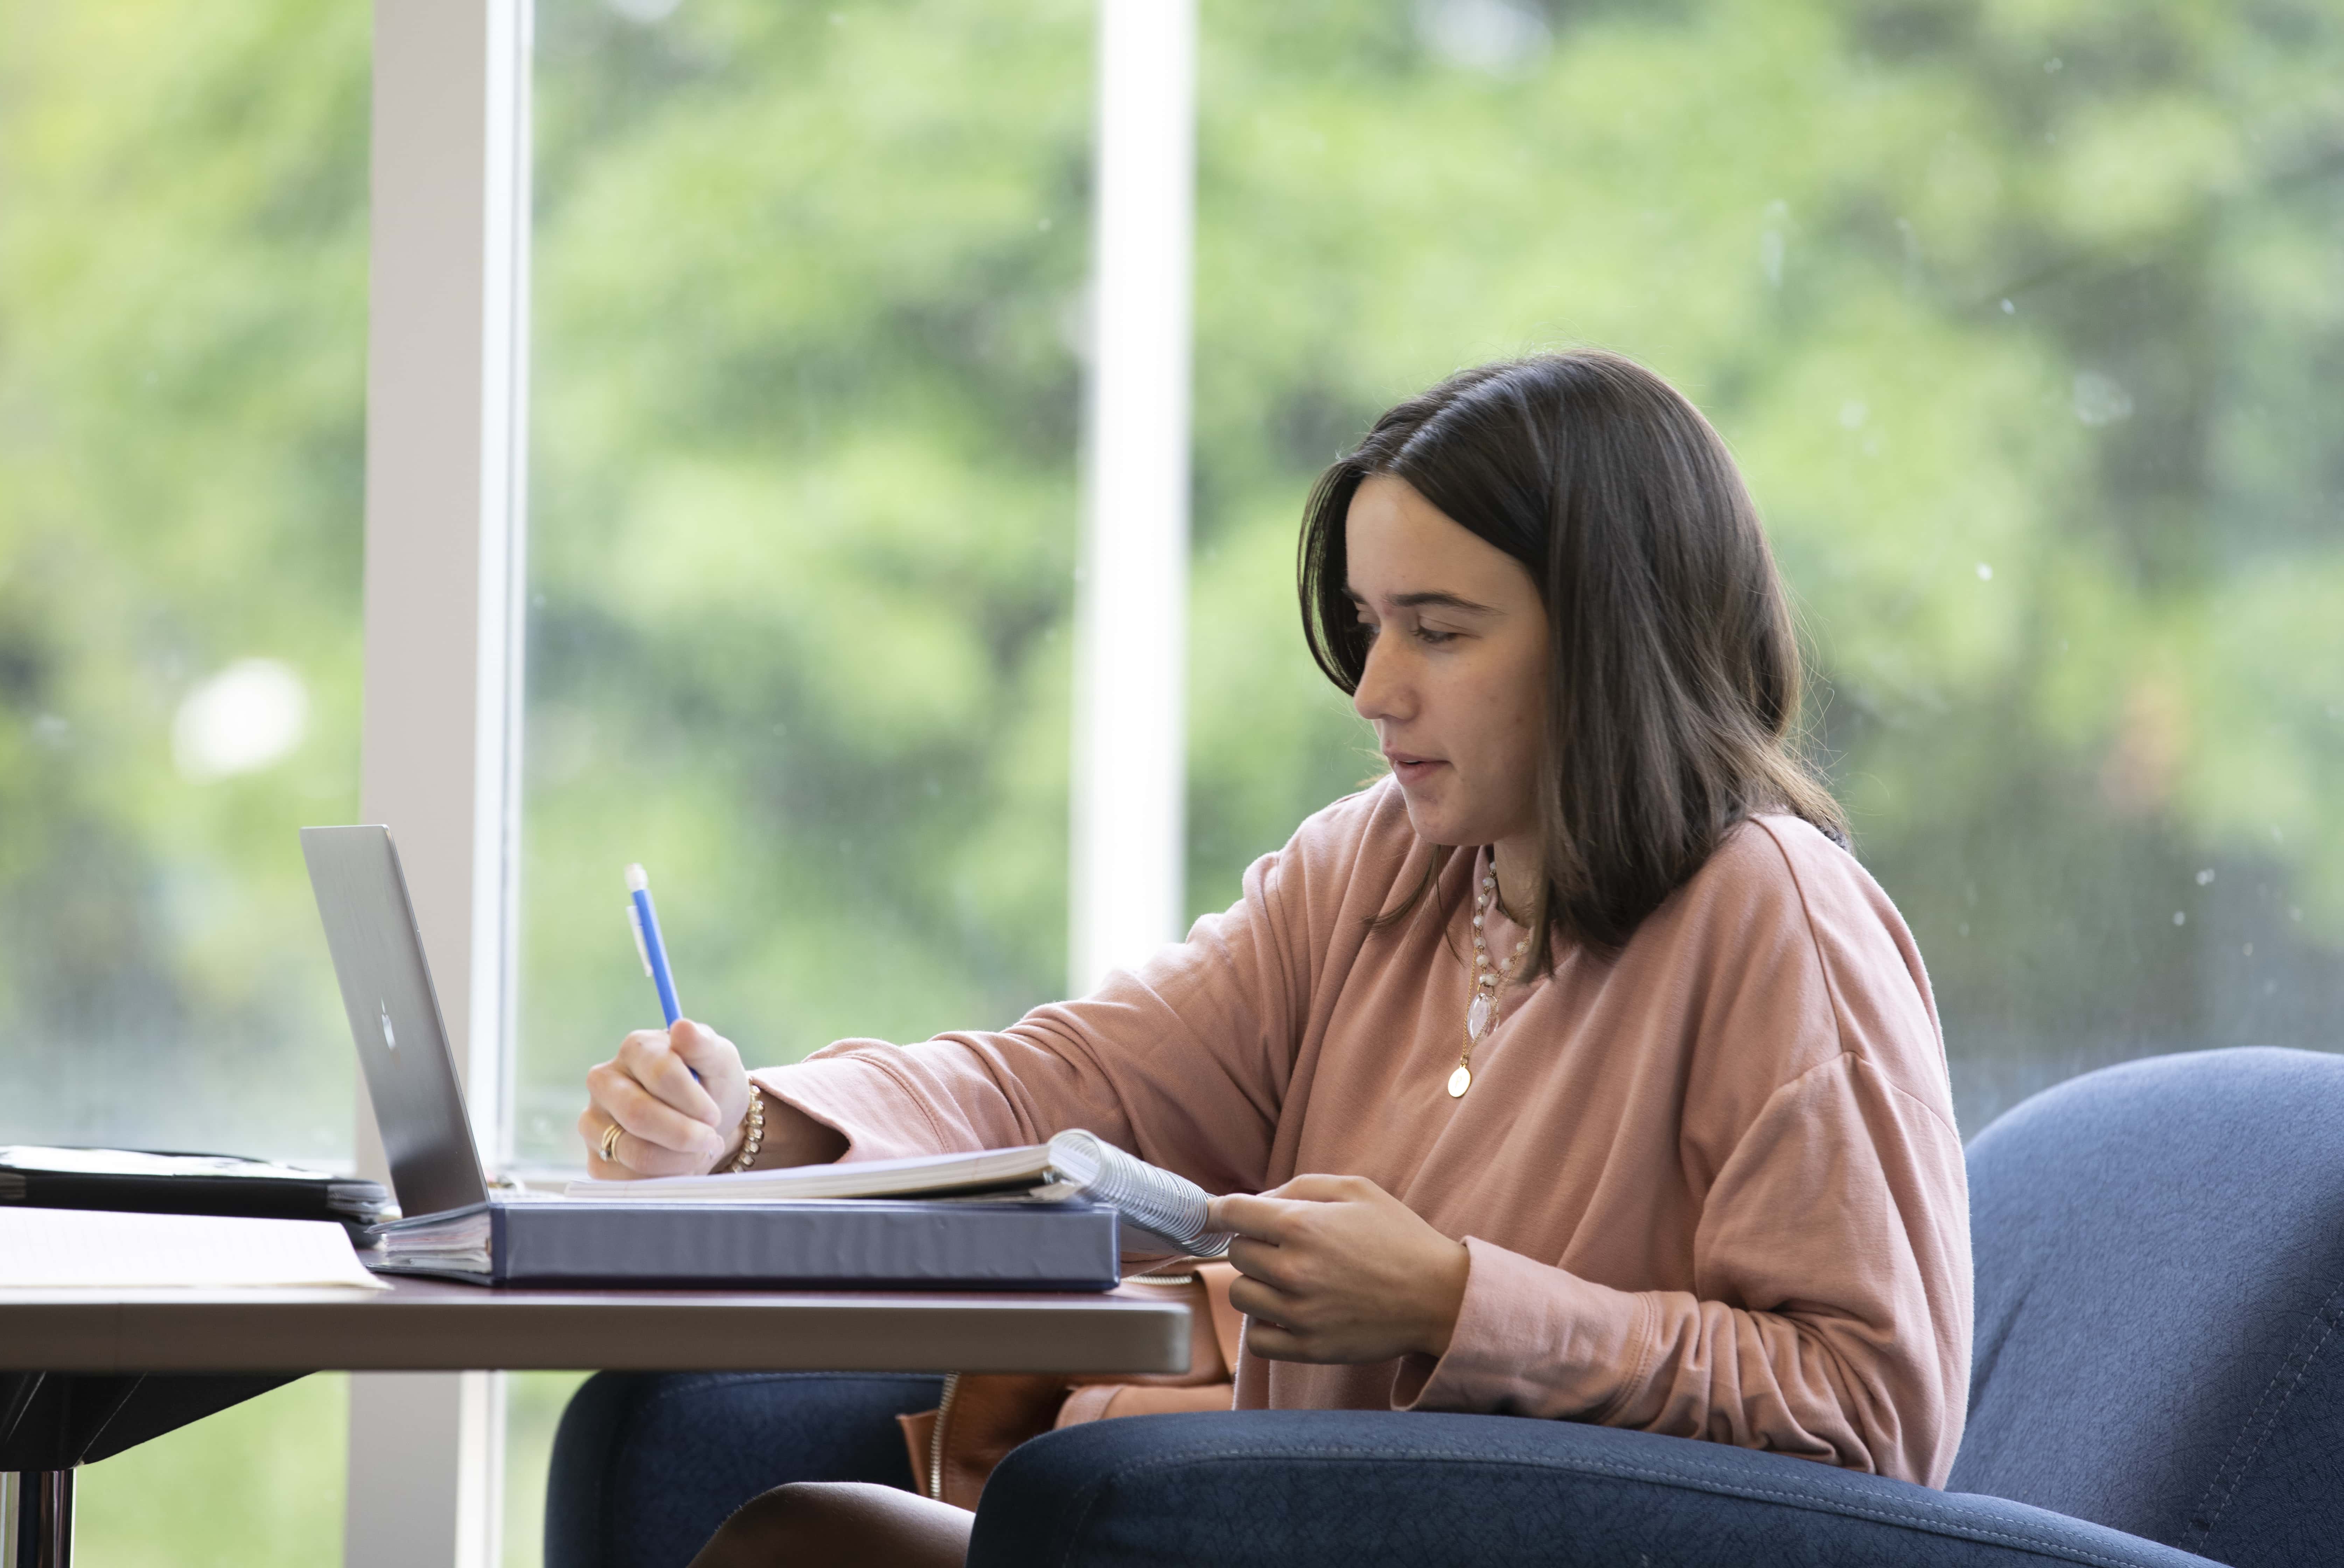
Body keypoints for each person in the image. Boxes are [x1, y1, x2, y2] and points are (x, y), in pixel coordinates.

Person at [577, 350, 1974, 1568]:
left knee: (809, 1545)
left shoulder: (1779, 919)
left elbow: (1865, 1410)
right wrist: (748, 1119)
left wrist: (1451, 1300)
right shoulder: (1379, 867)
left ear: (1613, 641)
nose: (1375, 691)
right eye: (1371, 628)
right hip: (1273, 1517)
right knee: (743, 1487)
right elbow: (1065, 1084)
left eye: (1439, 630)